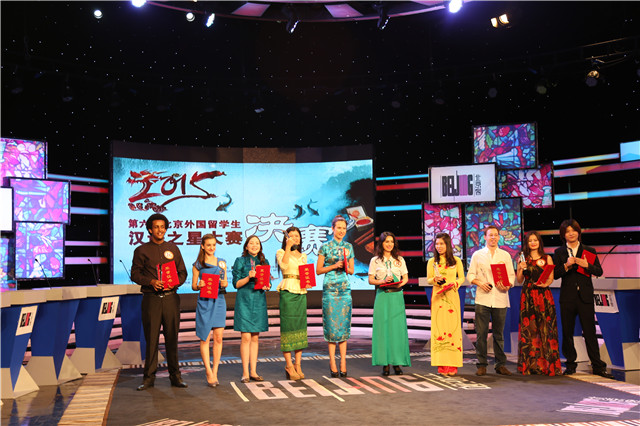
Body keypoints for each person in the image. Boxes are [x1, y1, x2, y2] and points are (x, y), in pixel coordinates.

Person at [131, 213, 188, 390]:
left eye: (163, 227)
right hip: (151, 300)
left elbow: (183, 273)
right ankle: (148, 378)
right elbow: (135, 274)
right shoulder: (141, 250)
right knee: (151, 340)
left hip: (171, 299)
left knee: (172, 339)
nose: (160, 230)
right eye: (156, 227)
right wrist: (151, 282)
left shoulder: (173, 249)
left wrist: (174, 283)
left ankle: (175, 377)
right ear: (150, 229)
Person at [552, 219, 614, 379]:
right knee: (567, 332)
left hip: (585, 297)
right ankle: (570, 365)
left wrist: (586, 265)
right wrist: (566, 265)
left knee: (590, 332)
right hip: (567, 297)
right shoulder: (559, 252)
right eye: (567, 231)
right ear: (563, 235)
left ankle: (597, 366)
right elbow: (555, 274)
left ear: (578, 232)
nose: (571, 234)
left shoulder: (589, 250)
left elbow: (599, 271)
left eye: (573, 230)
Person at [467, 225, 515, 376]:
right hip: (483, 298)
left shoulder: (505, 255)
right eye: (490, 235)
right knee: (481, 334)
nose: (493, 237)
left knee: (498, 334)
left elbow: (511, 276)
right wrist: (480, 283)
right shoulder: (478, 255)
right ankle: (481, 364)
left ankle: (500, 365)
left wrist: (507, 285)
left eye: (495, 235)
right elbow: (470, 275)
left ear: (499, 237)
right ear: (485, 237)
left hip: (500, 298)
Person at [516, 230, 561, 375]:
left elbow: (550, 277)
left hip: (543, 295)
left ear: (539, 242)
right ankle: (530, 366)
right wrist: (520, 268)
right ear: (527, 243)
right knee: (530, 329)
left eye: (535, 240)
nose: (533, 243)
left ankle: (548, 366)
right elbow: (519, 280)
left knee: (546, 329)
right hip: (528, 296)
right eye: (530, 241)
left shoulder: (547, 258)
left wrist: (545, 284)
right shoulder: (523, 258)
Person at [368, 231, 410, 376]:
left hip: (396, 296)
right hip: (382, 296)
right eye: (387, 242)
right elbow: (371, 280)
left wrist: (400, 284)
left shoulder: (399, 260)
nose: (389, 244)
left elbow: (405, 278)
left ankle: (397, 363)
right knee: (383, 330)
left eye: (392, 241)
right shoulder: (375, 261)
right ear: (381, 243)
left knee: (397, 330)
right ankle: (385, 364)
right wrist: (382, 281)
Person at [316, 215, 354, 377]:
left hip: (344, 289)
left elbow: (351, 270)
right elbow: (318, 270)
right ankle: (332, 361)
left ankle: (343, 361)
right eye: (338, 228)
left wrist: (344, 266)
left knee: (344, 326)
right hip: (330, 290)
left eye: (344, 228)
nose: (341, 231)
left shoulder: (349, 247)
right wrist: (334, 266)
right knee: (331, 327)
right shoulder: (325, 247)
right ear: (332, 229)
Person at [232, 235, 271, 383]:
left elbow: (267, 282)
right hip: (244, 300)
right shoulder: (240, 261)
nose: (255, 245)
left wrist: (267, 286)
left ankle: (254, 371)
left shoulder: (264, 262)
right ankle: (245, 372)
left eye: (257, 243)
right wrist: (248, 277)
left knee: (255, 337)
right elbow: (236, 284)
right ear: (246, 246)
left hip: (259, 300)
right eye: (251, 243)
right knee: (246, 337)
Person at [192, 234, 228, 387]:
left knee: (218, 338)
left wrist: (224, 283)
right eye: (208, 245)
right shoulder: (197, 265)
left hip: (219, 300)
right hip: (205, 302)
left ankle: (215, 371)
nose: (212, 248)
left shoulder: (222, 262)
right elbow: (194, 286)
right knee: (205, 338)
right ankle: (208, 370)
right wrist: (199, 285)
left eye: (214, 245)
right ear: (202, 246)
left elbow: (225, 282)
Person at [426, 233, 465, 376]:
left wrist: (454, 283)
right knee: (439, 329)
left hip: (452, 297)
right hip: (438, 297)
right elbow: (429, 279)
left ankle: (453, 364)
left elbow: (462, 278)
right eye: (437, 244)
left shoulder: (456, 261)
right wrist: (434, 280)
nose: (439, 246)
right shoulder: (432, 262)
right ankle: (441, 364)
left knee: (453, 330)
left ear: (448, 245)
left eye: (442, 244)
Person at [276, 226, 309, 381]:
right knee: (288, 327)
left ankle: (298, 364)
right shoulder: (281, 252)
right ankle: (289, 365)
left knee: (300, 328)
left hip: (301, 291)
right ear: (286, 238)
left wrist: (308, 282)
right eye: (292, 236)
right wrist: (288, 248)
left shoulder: (303, 255)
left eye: (297, 236)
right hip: (288, 291)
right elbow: (283, 266)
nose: (295, 238)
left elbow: (305, 275)